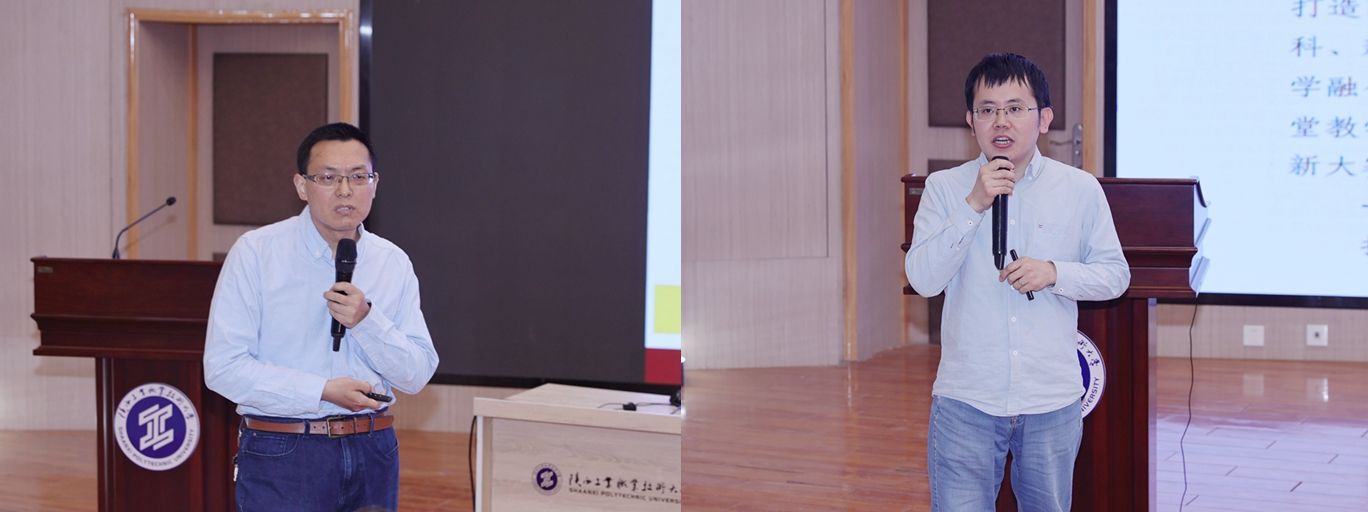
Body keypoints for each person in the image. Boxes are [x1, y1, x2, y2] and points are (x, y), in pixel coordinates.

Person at [904, 53, 1130, 511]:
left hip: (1050, 398)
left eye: (1015, 108)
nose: (1001, 121)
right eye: (987, 110)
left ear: (1043, 119)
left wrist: (1055, 273)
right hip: (967, 396)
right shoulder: (945, 188)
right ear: (970, 121)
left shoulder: (1080, 189)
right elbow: (923, 280)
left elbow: (1115, 276)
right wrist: (974, 203)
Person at [205, 122, 439, 511]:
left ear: (375, 184)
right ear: (302, 185)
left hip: (373, 448)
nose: (345, 190)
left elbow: (416, 374)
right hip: (285, 450)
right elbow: (223, 368)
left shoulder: (392, 262)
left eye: (358, 177)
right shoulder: (257, 253)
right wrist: (321, 391)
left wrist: (367, 322)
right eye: (329, 177)